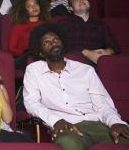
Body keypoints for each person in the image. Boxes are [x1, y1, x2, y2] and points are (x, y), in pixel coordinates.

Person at [23, 22, 129, 150]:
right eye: (46, 42)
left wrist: (115, 122)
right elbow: (32, 103)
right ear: (41, 53)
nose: (53, 43)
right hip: (65, 126)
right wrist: (55, 120)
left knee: (125, 138)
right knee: (68, 143)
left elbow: (102, 104)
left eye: (56, 39)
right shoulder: (34, 70)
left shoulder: (86, 70)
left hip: (97, 123)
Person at [58, 0, 120, 68]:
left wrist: (108, 51)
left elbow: (114, 45)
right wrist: (86, 53)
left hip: (99, 61)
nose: (81, 1)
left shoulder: (101, 24)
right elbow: (60, 44)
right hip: (75, 61)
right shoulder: (65, 22)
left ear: (89, 3)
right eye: (76, 0)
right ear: (71, 8)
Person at [8, 0, 51, 70]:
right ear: (25, 10)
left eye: (36, 4)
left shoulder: (47, 25)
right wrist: (25, 53)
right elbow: (11, 49)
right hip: (24, 58)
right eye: (29, 6)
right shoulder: (17, 27)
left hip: (45, 58)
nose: (34, 7)